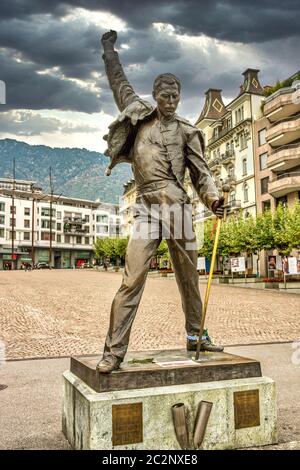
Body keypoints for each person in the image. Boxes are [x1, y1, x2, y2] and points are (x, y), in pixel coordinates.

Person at [97, 30, 225, 373]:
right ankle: (113, 351)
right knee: (131, 277)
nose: (170, 100)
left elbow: (202, 173)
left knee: (188, 276)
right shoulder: (138, 116)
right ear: (155, 96)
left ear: (180, 97)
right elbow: (117, 80)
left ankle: (196, 335)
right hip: (146, 207)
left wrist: (212, 200)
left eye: (175, 95)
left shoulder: (187, 131)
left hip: (178, 208)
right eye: (165, 95)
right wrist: (109, 48)